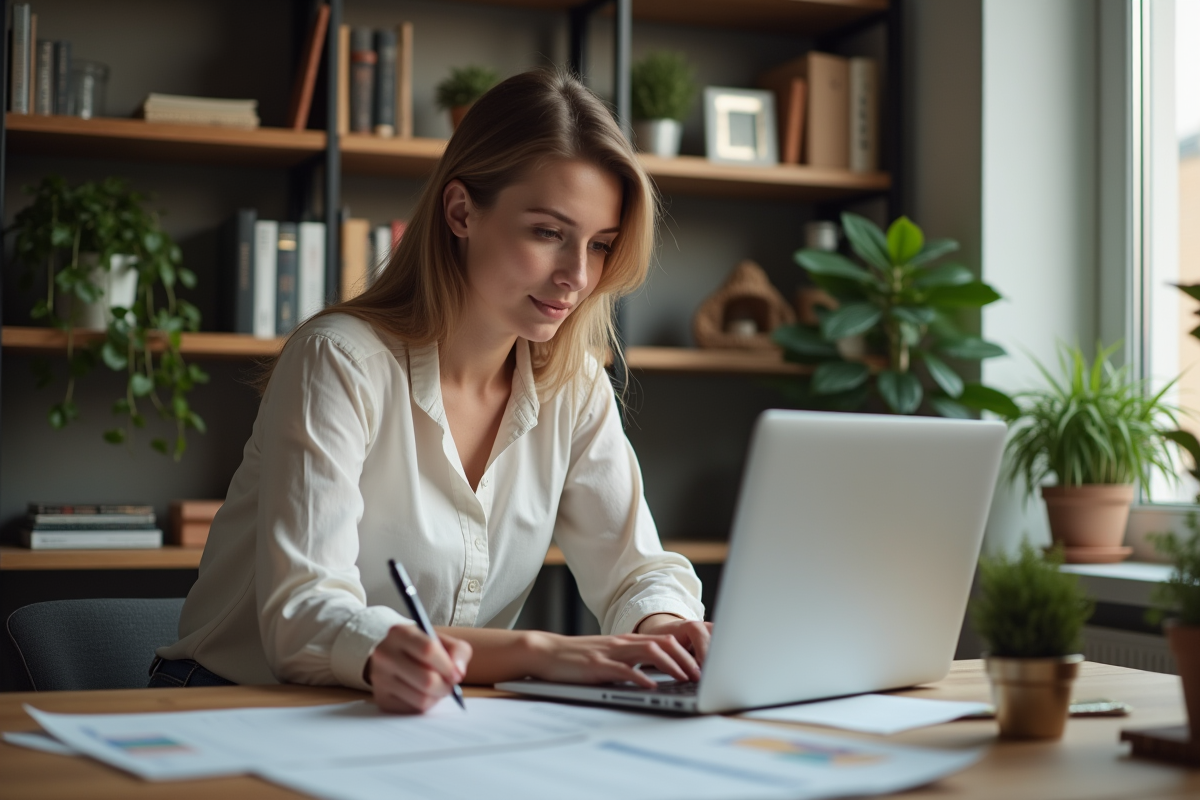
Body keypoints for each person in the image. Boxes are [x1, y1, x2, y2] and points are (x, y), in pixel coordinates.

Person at [152, 69, 711, 712]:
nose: (577, 277)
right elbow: (302, 619)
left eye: (601, 245)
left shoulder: (574, 385)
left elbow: (637, 569)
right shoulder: (340, 359)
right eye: (548, 233)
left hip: (424, 714)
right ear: (461, 211)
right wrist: (539, 654)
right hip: (232, 707)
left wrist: (665, 631)